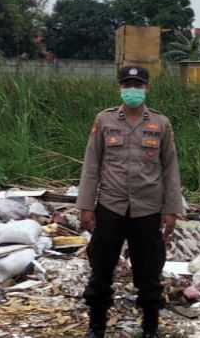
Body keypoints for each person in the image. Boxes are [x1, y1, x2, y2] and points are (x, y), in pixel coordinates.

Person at [77, 65, 183, 338]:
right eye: (127, 85)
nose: (132, 90)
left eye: (137, 85)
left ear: (146, 88)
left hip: (147, 209)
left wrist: (171, 209)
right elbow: (92, 164)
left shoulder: (161, 123)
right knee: (101, 268)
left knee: (149, 271)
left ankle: (150, 327)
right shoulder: (105, 120)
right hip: (110, 207)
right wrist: (86, 205)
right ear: (119, 88)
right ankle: (96, 326)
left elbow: (170, 167)